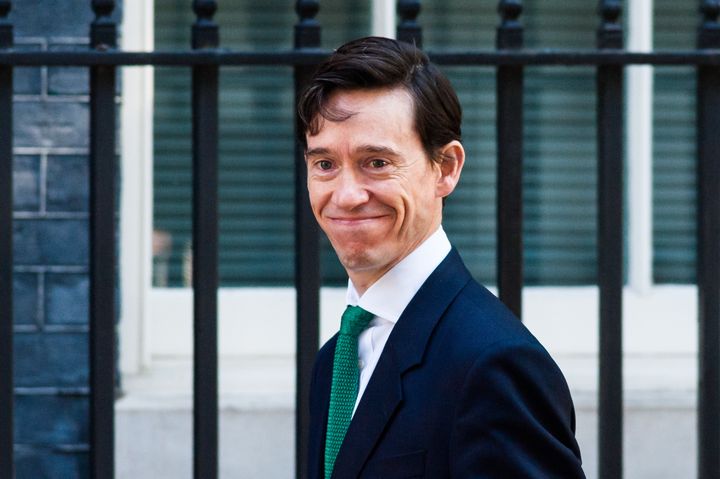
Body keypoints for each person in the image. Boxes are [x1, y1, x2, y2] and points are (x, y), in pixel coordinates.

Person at [298, 36, 585, 479]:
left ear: (446, 168)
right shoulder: (335, 360)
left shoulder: (494, 364)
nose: (347, 195)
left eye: (376, 162)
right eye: (325, 165)